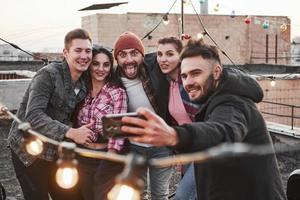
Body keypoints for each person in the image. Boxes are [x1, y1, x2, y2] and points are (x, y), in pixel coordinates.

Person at [121, 38, 287, 200]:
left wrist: (175, 135)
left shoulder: (233, 102)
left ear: (216, 72)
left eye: (196, 73)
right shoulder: (208, 100)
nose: (188, 83)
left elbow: (223, 131)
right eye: (184, 76)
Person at [7, 28, 94, 200]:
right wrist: (72, 132)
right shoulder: (48, 75)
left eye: (88, 51)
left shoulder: (85, 81)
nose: (84, 56)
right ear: (65, 52)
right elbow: (33, 116)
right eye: (78, 50)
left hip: (55, 150)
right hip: (28, 150)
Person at [95, 31, 171, 200]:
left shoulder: (155, 69)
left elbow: (176, 57)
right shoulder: (113, 81)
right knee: (138, 193)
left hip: (161, 145)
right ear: (117, 59)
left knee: (161, 194)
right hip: (134, 147)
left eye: (134, 53)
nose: (129, 59)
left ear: (142, 56)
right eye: (122, 55)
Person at [74, 45, 128, 200]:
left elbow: (117, 132)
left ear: (111, 68)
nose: (101, 69)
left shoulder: (117, 93)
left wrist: (110, 159)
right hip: (83, 154)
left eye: (106, 65)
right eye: (96, 64)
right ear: (89, 65)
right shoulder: (81, 91)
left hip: (105, 155)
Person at [156, 36, 199, 200]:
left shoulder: (188, 83)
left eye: (169, 54)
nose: (163, 59)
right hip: (187, 151)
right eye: (159, 54)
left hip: (203, 150)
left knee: (183, 196)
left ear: (181, 56)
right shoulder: (170, 83)